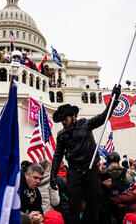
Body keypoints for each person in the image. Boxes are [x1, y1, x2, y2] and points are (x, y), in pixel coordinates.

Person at [50, 85, 121, 223]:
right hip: (74, 173)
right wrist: (53, 175)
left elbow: (103, 117)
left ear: (73, 116)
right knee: (74, 206)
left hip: (91, 171)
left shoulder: (85, 125)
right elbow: (58, 156)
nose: (64, 122)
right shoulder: (61, 135)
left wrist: (114, 98)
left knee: (94, 204)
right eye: (62, 119)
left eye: (66, 118)